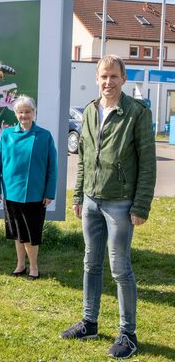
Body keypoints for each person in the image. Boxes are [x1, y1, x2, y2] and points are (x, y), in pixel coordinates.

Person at [60, 55, 156, 360]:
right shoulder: (89, 110)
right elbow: (85, 159)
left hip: (120, 204)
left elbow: (148, 163)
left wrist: (140, 205)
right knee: (91, 264)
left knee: (120, 269)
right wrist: (78, 197)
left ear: (124, 79)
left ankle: (128, 334)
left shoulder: (136, 113)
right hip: (91, 201)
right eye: (103, 76)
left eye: (114, 76)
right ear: (97, 78)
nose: (108, 82)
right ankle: (89, 323)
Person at [0, 96, 57, 281]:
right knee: (18, 233)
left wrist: (49, 192)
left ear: (34, 113)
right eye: (20, 112)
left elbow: (53, 167)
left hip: (35, 194)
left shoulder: (44, 136)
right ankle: (20, 265)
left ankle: (34, 268)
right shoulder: (7, 135)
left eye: (28, 112)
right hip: (11, 192)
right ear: (15, 114)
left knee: (31, 234)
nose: (24, 115)